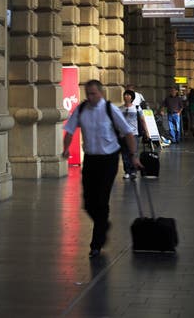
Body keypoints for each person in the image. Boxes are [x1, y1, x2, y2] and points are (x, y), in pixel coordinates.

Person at [63, 80, 142, 258]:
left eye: (93, 93)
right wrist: (66, 149)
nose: (90, 97)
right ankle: (104, 225)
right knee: (88, 202)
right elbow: (69, 130)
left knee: (101, 199)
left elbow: (128, 133)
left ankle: (96, 244)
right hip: (91, 159)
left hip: (109, 159)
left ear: (101, 93)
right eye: (88, 94)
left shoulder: (110, 109)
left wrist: (134, 155)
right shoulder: (82, 109)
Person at [119, 89, 147, 179]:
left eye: (128, 95)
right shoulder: (120, 108)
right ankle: (127, 171)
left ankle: (133, 171)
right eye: (125, 95)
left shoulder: (137, 108)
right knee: (124, 153)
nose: (126, 96)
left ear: (132, 98)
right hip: (123, 134)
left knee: (133, 152)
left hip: (134, 133)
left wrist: (147, 132)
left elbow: (142, 120)